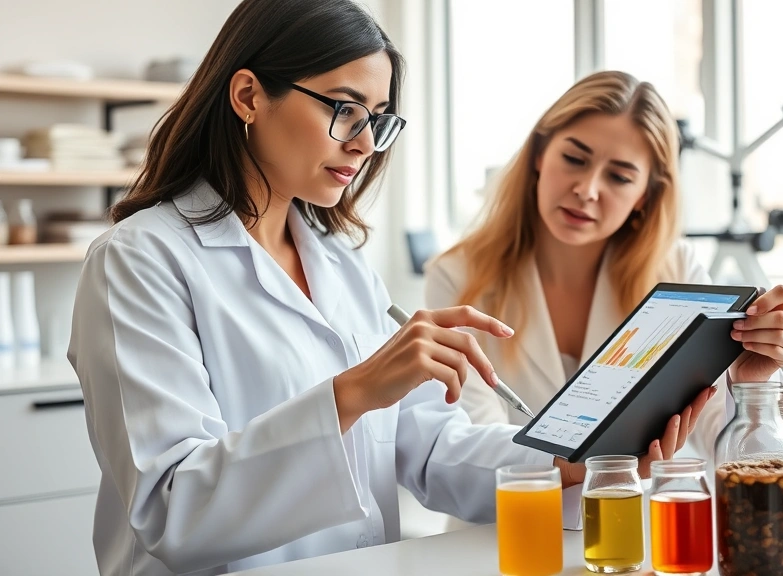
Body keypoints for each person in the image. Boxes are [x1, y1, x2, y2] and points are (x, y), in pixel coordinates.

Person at [66, 2, 710, 575]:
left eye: (378, 119)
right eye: (345, 111)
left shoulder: (341, 265)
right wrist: (356, 391)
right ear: (247, 95)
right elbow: (171, 510)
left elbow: (431, 449)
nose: (367, 144)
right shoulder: (141, 260)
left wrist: (571, 461)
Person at [426, 70, 783, 464]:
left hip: (636, 521)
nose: (587, 190)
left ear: (645, 195)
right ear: (539, 154)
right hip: (506, 523)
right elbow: (470, 453)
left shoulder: (675, 268)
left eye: (620, 177)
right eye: (574, 159)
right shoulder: (458, 276)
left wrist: (752, 383)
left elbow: (743, 457)